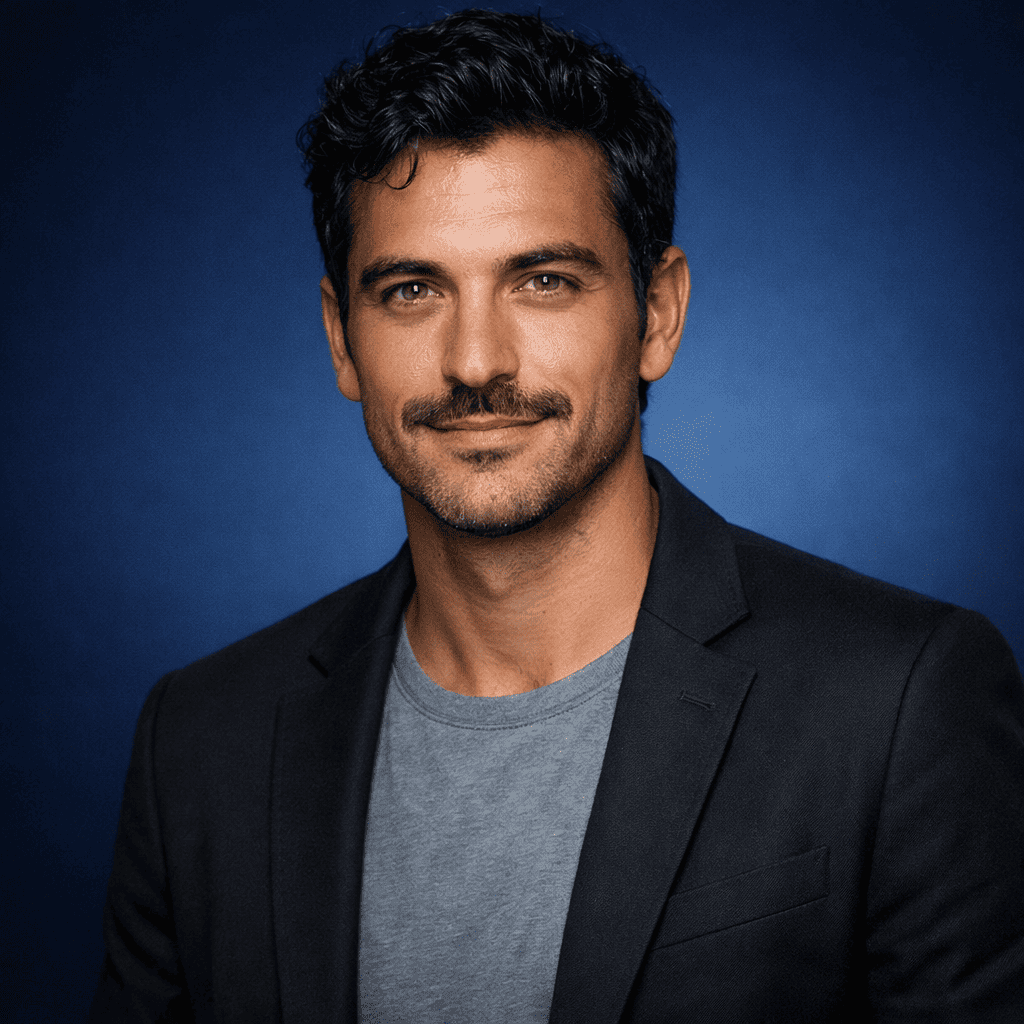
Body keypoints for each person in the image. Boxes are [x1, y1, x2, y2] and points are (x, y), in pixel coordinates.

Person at [90, 9, 1024, 1023]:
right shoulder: (200, 743)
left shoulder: (897, 701)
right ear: (342, 339)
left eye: (543, 281)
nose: (475, 361)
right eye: (411, 290)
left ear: (656, 314)